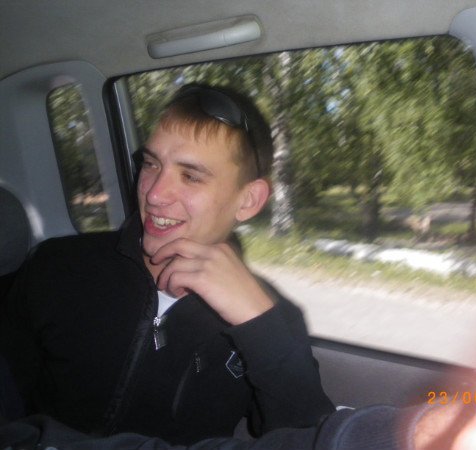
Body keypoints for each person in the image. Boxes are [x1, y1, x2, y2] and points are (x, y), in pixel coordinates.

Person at [0, 83, 335, 445]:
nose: (154, 194)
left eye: (191, 176)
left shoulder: (271, 317)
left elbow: (306, 438)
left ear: (248, 200)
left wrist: (260, 325)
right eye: (151, 164)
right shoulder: (58, 266)